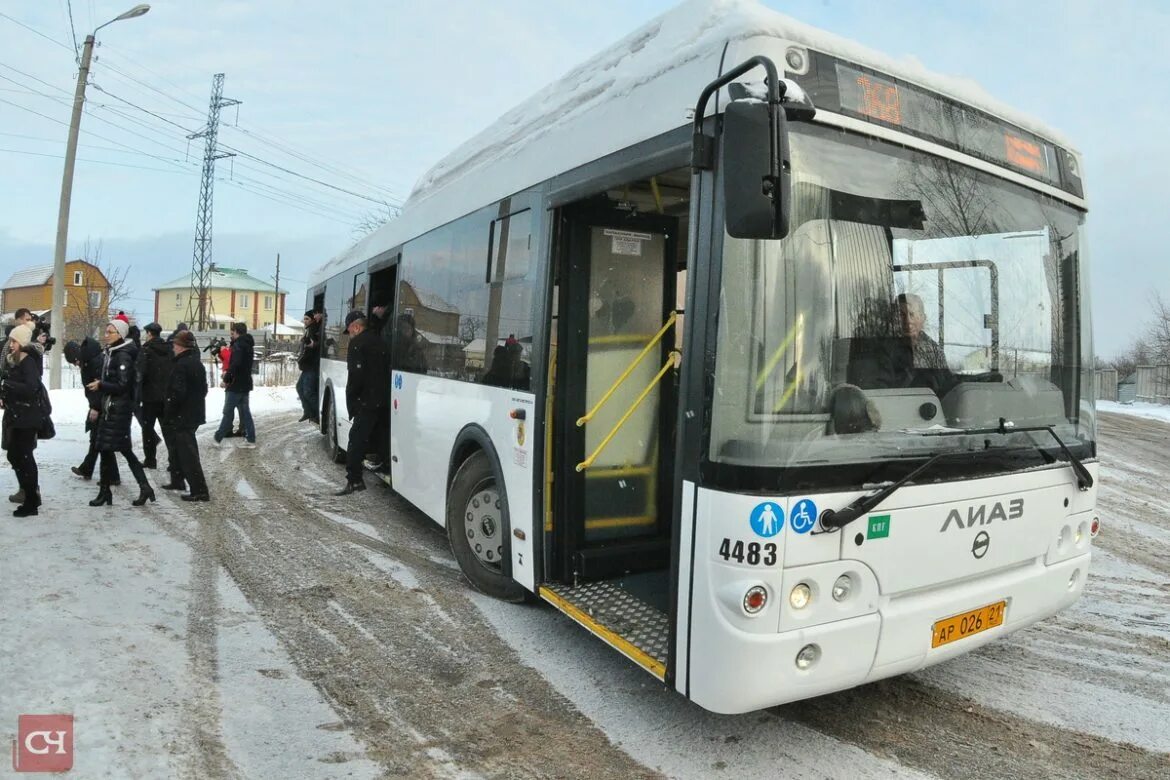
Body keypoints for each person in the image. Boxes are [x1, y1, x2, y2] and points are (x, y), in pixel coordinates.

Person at [86, 319, 155, 507]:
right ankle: (109, 491)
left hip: (118, 409)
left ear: (121, 335)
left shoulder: (122, 355)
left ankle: (117, 490)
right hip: (112, 408)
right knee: (109, 450)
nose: (106, 335)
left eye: (111, 332)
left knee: (116, 450)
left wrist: (101, 384)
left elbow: (123, 385)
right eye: (106, 331)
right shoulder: (113, 352)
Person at [336, 311, 388, 495]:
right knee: (380, 434)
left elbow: (355, 377)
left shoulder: (357, 344)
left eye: (349, 330)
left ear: (356, 327)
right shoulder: (381, 341)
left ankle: (354, 480)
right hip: (382, 400)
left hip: (365, 401)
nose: (349, 334)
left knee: (356, 440)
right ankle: (384, 463)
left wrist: (353, 401)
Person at [2, 324, 46, 517]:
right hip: (19, 415)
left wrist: (7, 384)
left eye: (14, 341)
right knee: (16, 456)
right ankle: (30, 496)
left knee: (23, 457)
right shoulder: (17, 360)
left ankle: (31, 501)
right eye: (11, 341)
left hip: (27, 417)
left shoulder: (28, 360)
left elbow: (30, 387)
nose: (11, 345)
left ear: (22, 342)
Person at [66, 337, 121, 485]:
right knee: (98, 439)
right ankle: (89, 469)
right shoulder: (91, 360)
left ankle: (111, 476)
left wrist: (95, 408)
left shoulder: (94, 363)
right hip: (101, 405)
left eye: (75, 361)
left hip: (103, 406)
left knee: (101, 440)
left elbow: (99, 389)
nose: (76, 365)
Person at [164, 330, 210, 501]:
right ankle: (178, 480)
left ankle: (199, 490)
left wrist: (171, 409)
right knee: (179, 449)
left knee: (188, 453)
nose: (173, 347)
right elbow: (203, 389)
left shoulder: (182, 365)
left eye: (175, 344)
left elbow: (177, 393)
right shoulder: (196, 363)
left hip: (183, 416)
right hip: (193, 413)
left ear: (181, 346)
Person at [214, 322, 256, 448]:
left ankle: (217, 438)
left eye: (232, 332)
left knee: (228, 411)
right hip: (245, 383)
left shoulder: (238, 345)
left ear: (237, 332)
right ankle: (251, 439)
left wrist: (226, 378)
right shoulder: (248, 344)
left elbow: (235, 364)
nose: (231, 334)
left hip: (236, 384)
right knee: (245, 412)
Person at [136, 323, 172, 470]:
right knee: (168, 429)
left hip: (149, 397)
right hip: (166, 397)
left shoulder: (145, 351)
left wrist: (137, 394)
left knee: (147, 428)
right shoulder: (169, 350)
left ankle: (150, 459)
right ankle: (173, 460)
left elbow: (141, 374)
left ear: (150, 333)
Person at [296, 309, 321, 423]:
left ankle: (316, 413)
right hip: (307, 366)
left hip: (311, 366)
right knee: (300, 388)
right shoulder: (308, 330)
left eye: (307, 319)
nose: (305, 321)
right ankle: (308, 411)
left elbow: (312, 349)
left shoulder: (313, 329)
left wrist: (303, 358)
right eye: (304, 318)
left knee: (308, 392)